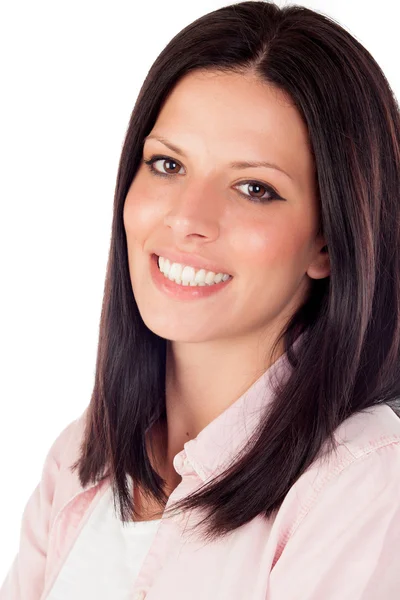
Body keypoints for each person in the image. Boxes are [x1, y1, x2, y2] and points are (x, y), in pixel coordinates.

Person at [2, 1, 400, 598]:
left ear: (330, 243)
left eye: (254, 188)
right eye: (167, 164)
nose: (188, 218)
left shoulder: (361, 485)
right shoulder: (82, 456)